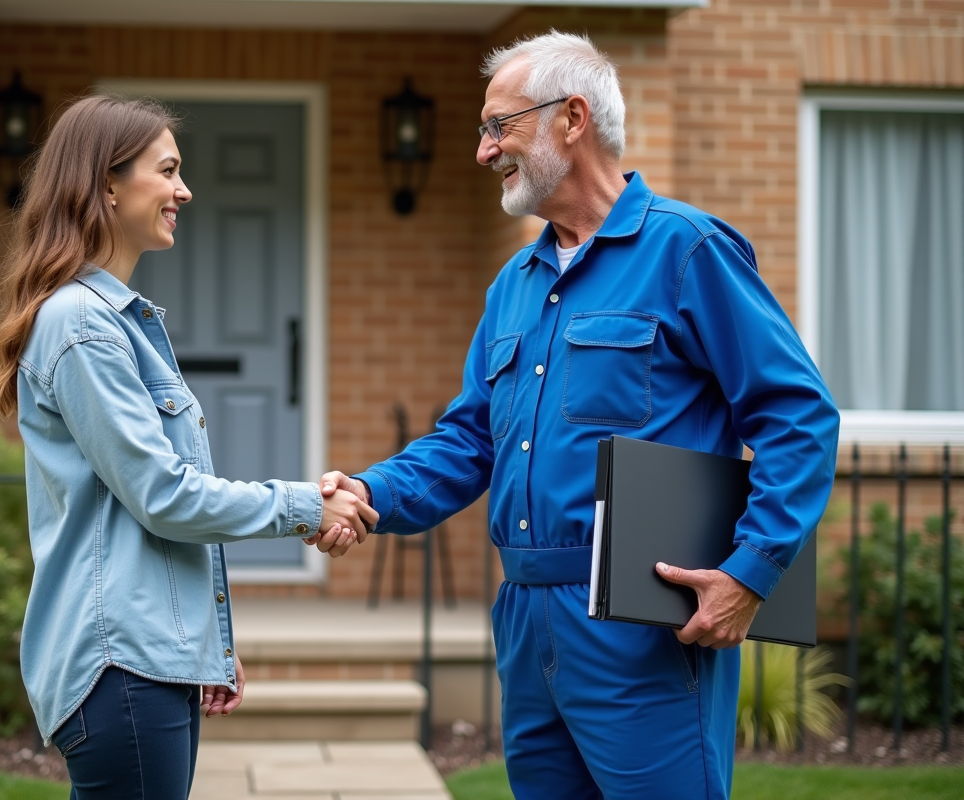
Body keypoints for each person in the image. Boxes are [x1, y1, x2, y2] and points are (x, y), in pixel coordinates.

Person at [318, 31, 839, 800]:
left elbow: (798, 415)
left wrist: (750, 571)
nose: (484, 150)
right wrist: (371, 494)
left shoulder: (687, 251)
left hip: (644, 626)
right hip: (526, 618)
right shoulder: (514, 285)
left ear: (572, 118)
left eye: (500, 127)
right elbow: (469, 440)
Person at [0, 95, 377, 800]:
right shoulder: (83, 325)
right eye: (167, 171)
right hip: (120, 668)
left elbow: (143, 515)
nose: (183, 190)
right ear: (107, 185)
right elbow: (162, 494)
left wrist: (203, 646)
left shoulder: (117, 323)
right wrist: (305, 506)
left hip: (147, 661)